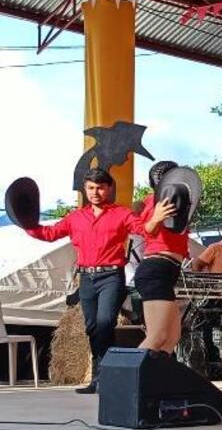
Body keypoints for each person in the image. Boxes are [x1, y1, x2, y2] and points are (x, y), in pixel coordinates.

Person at [23, 169, 148, 394]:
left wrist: (156, 219)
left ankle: (106, 377)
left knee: (105, 323)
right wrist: (26, 223)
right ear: (85, 189)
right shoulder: (76, 217)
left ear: (109, 189)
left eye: (100, 187)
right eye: (91, 188)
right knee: (92, 328)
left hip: (111, 276)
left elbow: (144, 229)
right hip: (86, 278)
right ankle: (98, 378)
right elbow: (50, 233)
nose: (95, 192)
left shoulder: (122, 214)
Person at [134, 161, 188, 355]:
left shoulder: (175, 200)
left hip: (167, 270)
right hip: (156, 269)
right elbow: (148, 230)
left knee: (172, 337)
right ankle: (123, 374)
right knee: (157, 336)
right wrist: (156, 218)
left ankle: (155, 374)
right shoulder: (155, 201)